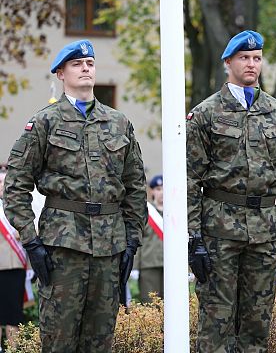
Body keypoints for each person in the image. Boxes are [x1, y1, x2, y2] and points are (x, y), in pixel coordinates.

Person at [3, 40, 147, 352]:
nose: (85, 68)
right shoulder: (45, 122)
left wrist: (132, 239)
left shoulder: (119, 123)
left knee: (101, 338)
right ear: (60, 73)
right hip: (63, 246)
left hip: (110, 246)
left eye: (90, 64)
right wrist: (30, 239)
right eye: (77, 64)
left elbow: (135, 186)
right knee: (60, 339)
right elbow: (15, 185)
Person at [186, 30, 276, 352]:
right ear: (228, 62)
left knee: (257, 321)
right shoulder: (206, 114)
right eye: (244, 58)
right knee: (217, 321)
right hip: (219, 230)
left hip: (266, 230)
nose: (252, 64)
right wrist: (193, 238)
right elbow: (189, 180)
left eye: (257, 58)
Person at [0, 167, 26, 353]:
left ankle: (12, 350)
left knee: (13, 315)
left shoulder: (19, 207)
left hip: (14, 266)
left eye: (3, 182)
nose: (1, 186)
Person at [133, 174, 164, 303]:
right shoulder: (146, 212)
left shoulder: (177, 213)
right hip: (149, 265)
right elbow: (138, 240)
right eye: (158, 189)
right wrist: (134, 268)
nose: (161, 193)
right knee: (150, 304)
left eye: (164, 188)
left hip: (172, 265)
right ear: (151, 191)